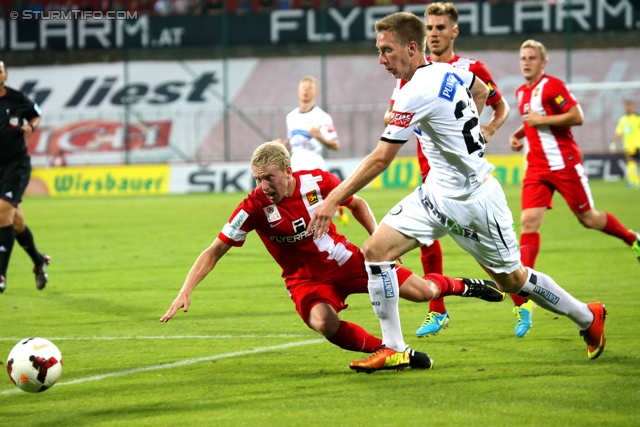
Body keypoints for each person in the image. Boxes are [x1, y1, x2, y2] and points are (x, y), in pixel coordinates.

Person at [309, 13, 608, 373]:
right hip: (436, 192)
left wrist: (331, 201)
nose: (381, 59)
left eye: (387, 50)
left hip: (475, 201)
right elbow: (480, 90)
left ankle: (586, 316)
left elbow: (380, 159)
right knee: (375, 251)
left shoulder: (414, 91)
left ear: (412, 47)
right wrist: (472, 133)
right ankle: (394, 348)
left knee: (513, 280)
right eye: (379, 50)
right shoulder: (446, 70)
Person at [160, 141, 506, 372]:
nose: (264, 185)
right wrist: (186, 289)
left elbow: (357, 203)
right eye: (258, 179)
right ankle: (393, 352)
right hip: (305, 280)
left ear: (288, 172)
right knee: (324, 323)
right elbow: (215, 249)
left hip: (347, 261)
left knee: (422, 293)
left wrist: (378, 242)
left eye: (269, 178)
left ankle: (464, 286)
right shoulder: (253, 207)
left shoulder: (317, 183)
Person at [385, 2, 532, 339]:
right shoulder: (408, 70)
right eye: (429, 28)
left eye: (440, 28)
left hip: (463, 176)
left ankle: (520, 297)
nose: (433, 34)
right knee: (424, 243)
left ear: (454, 31)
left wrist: (489, 129)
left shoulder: (469, 67)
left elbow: (500, 105)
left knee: (481, 250)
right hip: (430, 171)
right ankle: (437, 310)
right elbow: (394, 114)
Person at [509, 40, 640, 269]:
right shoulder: (521, 92)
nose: (526, 63)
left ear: (543, 63)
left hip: (564, 164)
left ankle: (632, 239)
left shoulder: (553, 86)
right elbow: (532, 122)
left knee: (589, 219)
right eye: (523, 58)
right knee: (528, 222)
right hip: (537, 168)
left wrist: (542, 120)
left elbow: (576, 116)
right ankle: (527, 288)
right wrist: (518, 135)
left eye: (532, 58)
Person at [0, 60, 49, 293]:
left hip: (15, 165)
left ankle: (0, 275)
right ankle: (39, 261)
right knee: (15, 220)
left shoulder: (16, 98)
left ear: (5, 74)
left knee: (2, 213)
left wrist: (32, 126)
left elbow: (36, 114)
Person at [283, 75, 348, 225]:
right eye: (303, 88)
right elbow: (294, 141)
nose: (306, 90)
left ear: (316, 93)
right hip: (295, 160)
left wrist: (318, 136)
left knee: (312, 199)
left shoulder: (322, 117)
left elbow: (335, 145)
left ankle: (333, 216)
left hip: (313, 162)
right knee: (292, 197)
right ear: (298, 92)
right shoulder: (291, 117)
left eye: (309, 88)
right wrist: (282, 145)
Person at [612, 100, 640, 188]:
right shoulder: (623, 119)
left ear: (632, 106)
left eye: (629, 105)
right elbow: (619, 132)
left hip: (636, 144)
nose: (628, 107)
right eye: (626, 106)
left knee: (631, 161)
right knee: (631, 163)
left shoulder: (637, 117)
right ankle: (633, 181)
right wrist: (614, 143)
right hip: (627, 145)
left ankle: (635, 181)